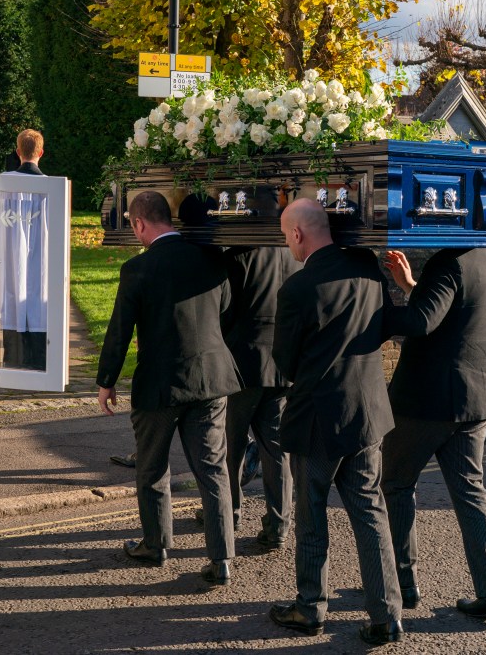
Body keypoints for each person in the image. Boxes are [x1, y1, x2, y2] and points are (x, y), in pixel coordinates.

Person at [268, 199, 403, 646]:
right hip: (366, 412)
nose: (288, 242)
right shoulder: (366, 267)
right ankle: (387, 614)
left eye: (287, 235)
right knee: (369, 512)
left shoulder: (298, 289)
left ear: (298, 235)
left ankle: (311, 609)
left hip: (315, 422)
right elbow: (384, 324)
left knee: (311, 518)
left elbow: (285, 361)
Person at [96, 190, 240, 585]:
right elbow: (225, 308)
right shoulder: (212, 259)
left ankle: (156, 545)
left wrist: (106, 382)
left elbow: (120, 330)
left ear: (139, 223)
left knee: (152, 466)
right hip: (211, 379)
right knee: (212, 470)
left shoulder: (137, 270)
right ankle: (222, 558)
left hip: (159, 385)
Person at [381, 247, 486, 621]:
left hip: (427, 401)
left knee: (394, 484)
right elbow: (455, 314)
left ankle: (401, 584)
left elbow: (422, 322)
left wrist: (370, 306)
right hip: (476, 399)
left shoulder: (448, 262)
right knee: (471, 492)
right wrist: (412, 286)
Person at [217, 245, 300, 547]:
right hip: (283, 363)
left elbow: (224, 312)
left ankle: (229, 513)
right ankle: (279, 525)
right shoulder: (295, 253)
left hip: (243, 362)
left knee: (231, 444)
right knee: (277, 449)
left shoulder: (238, 256)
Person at [0, 129, 48, 370]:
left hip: (10, 258)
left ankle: (14, 360)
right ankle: (40, 364)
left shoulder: (4, 184)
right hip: (41, 259)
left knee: (12, 302)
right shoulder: (51, 188)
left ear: (18, 151)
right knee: (38, 303)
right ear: (41, 152)